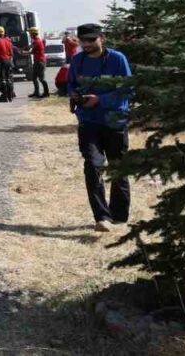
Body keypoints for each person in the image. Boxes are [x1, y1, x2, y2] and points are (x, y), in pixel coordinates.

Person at [66, 22, 132, 232]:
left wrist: (100, 100)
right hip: (88, 123)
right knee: (93, 167)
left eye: (90, 40)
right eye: (82, 41)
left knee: (118, 169)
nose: (86, 44)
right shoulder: (77, 60)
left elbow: (128, 90)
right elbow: (71, 84)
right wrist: (75, 95)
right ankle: (101, 217)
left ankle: (119, 216)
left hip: (115, 122)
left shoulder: (117, 59)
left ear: (101, 37)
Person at [0, 25, 16, 102]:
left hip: (1, 61)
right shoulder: (8, 41)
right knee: (8, 79)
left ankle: (4, 96)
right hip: (8, 61)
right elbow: (11, 52)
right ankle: (10, 95)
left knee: (1, 80)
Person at [27, 26, 49, 98]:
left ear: (33, 34)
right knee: (34, 78)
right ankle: (36, 92)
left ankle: (46, 93)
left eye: (30, 33)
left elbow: (29, 47)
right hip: (37, 61)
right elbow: (32, 51)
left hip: (40, 62)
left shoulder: (37, 41)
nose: (29, 35)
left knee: (41, 78)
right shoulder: (36, 41)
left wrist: (21, 50)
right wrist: (24, 52)